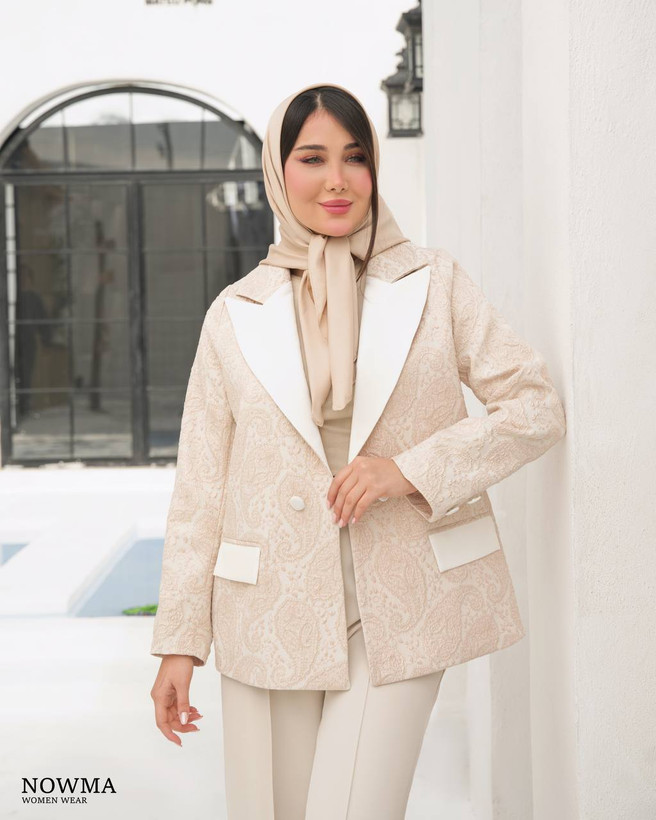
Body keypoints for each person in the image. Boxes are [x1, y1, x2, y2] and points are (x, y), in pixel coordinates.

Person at [150, 82, 567, 819]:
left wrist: (409, 470)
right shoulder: (235, 313)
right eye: (312, 158)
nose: (337, 180)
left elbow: (534, 407)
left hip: (401, 602)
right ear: (278, 171)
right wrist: (179, 641)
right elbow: (199, 490)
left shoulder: (433, 284)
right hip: (266, 608)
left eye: (355, 157)